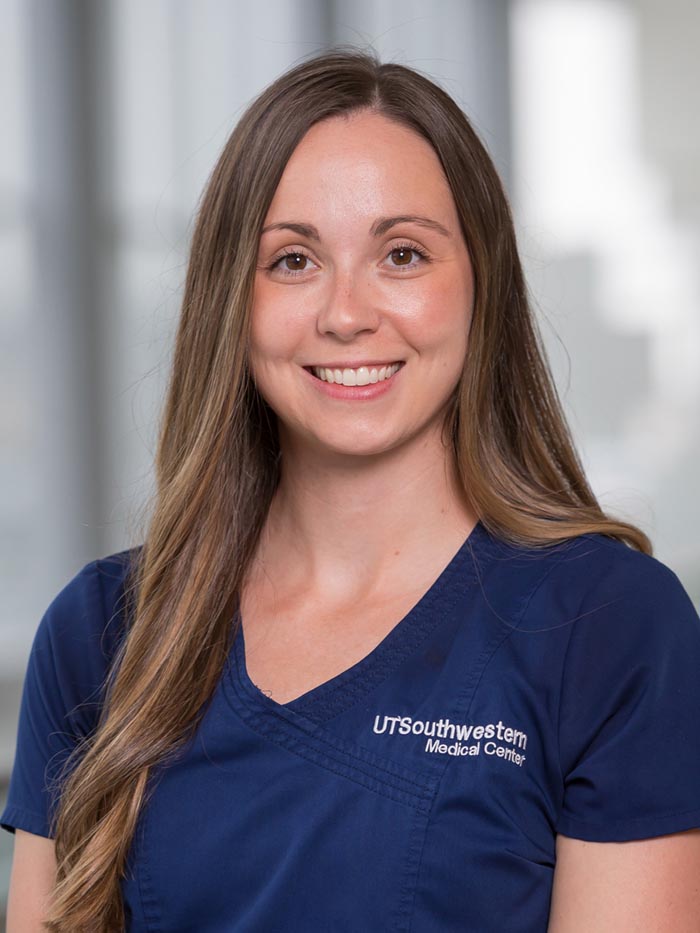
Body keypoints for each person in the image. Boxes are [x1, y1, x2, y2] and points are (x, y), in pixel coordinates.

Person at [3, 45, 700, 933]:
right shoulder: (103, 633)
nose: (345, 312)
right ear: (233, 301)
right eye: (292, 261)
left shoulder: (610, 629)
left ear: (481, 285)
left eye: (402, 254)